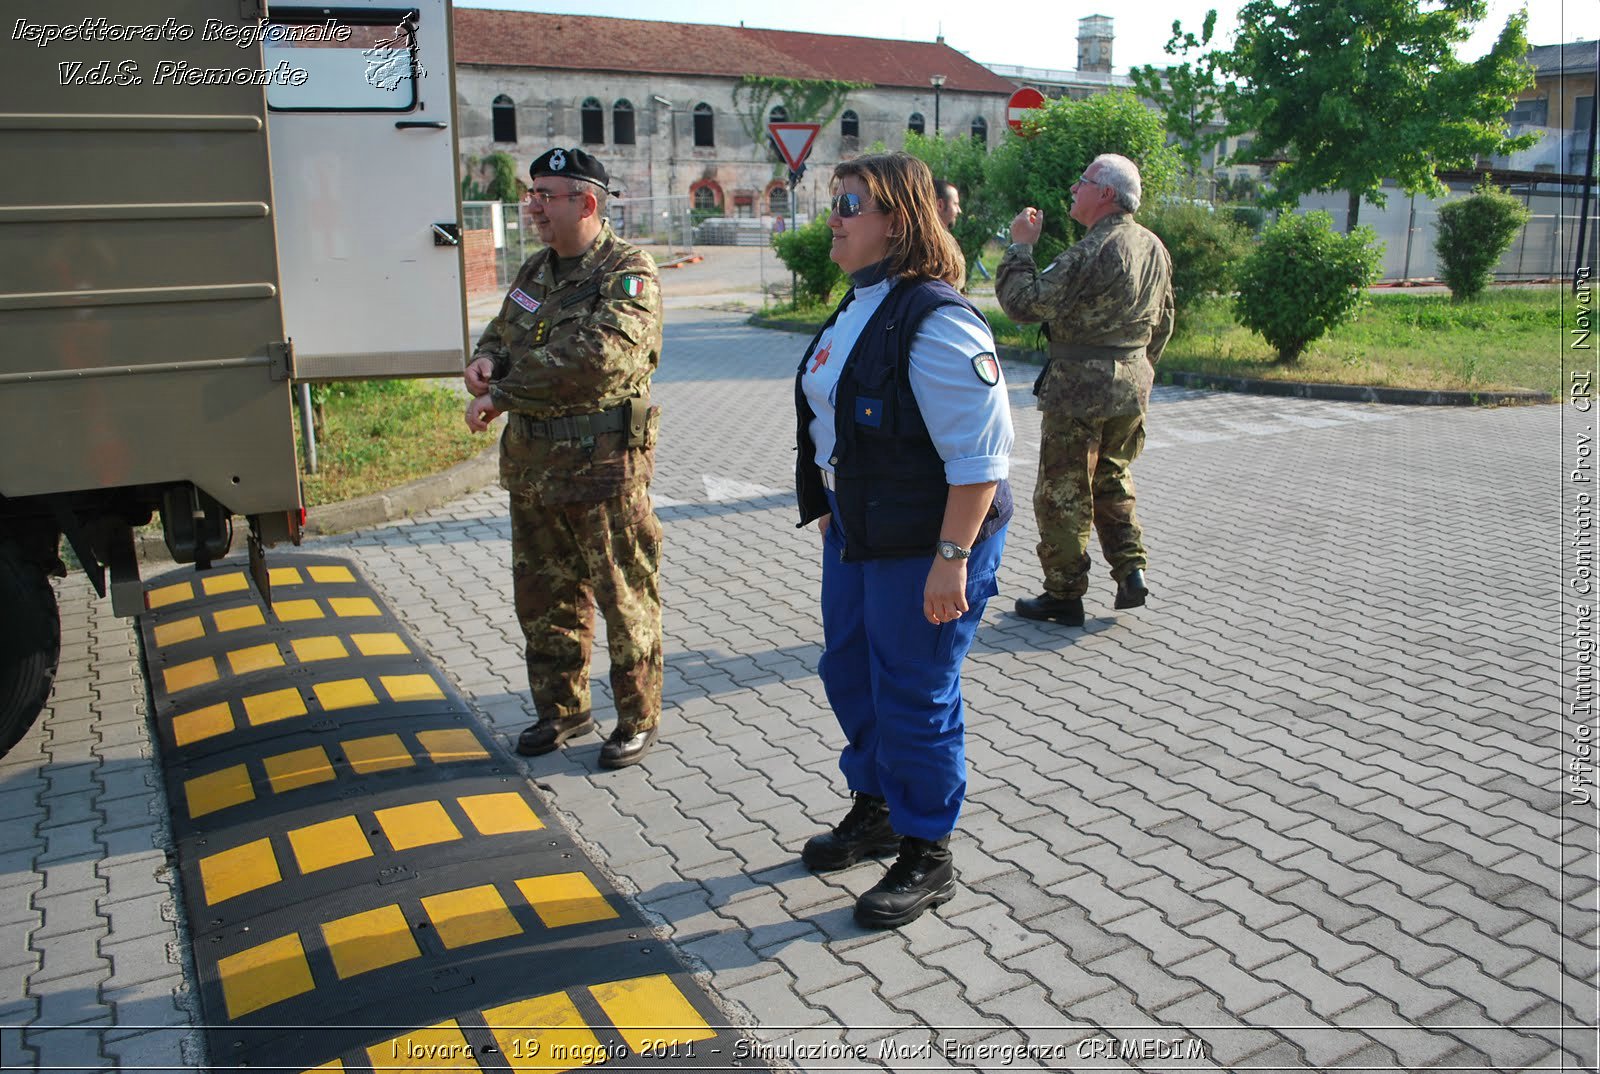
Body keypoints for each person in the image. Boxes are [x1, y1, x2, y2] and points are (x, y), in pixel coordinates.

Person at [794, 152, 1014, 929]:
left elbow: (983, 456)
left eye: (851, 204)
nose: (835, 217)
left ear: (898, 219)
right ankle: (878, 806)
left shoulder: (937, 317)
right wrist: (825, 499)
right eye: (833, 202)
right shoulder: (860, 304)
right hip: (860, 531)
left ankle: (928, 848)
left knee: (915, 691)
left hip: (930, 541)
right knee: (850, 669)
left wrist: (952, 561)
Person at [464, 147, 665, 769]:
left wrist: (503, 391)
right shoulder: (534, 271)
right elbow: (504, 330)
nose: (533, 207)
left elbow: (600, 358)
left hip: (603, 471)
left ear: (587, 202)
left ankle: (636, 718)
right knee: (545, 600)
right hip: (535, 470)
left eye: (546, 196)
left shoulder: (627, 272)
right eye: (532, 195)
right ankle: (563, 712)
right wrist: (487, 359)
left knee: (623, 599)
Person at [995, 153, 1173, 627]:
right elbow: (1166, 320)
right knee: (1112, 476)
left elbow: (1023, 304)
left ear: (1106, 194)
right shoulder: (1153, 246)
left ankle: (1064, 594)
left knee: (1062, 491)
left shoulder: (1090, 250)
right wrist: (1140, 370)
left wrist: (1019, 248)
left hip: (1079, 389)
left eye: (1083, 181)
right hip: (1131, 385)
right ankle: (1130, 570)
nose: (1074, 189)